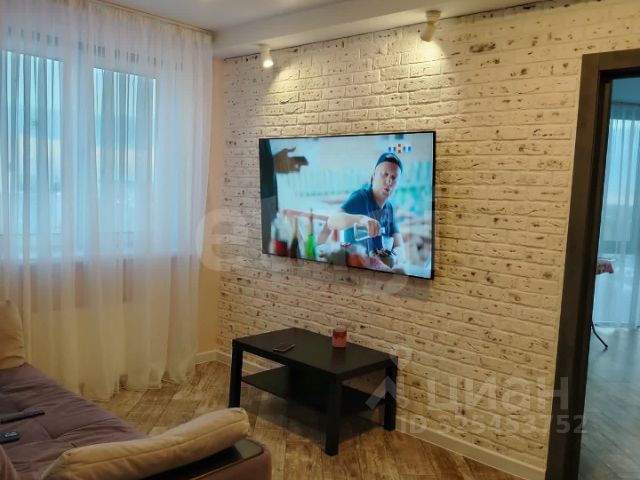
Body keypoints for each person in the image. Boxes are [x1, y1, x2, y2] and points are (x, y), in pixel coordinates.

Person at [327, 152, 405, 266]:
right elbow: (331, 221)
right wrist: (361, 219)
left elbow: (399, 246)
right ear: (374, 174)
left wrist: (394, 258)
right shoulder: (360, 198)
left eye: (394, 177)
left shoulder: (389, 208)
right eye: (385, 174)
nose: (389, 181)